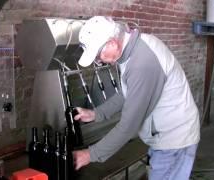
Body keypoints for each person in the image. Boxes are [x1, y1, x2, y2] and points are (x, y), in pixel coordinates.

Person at [73, 16, 200, 180]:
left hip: (174, 141)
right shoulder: (133, 49)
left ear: (112, 43)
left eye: (98, 56)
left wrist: (90, 154)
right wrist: (97, 114)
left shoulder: (142, 63)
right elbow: (129, 92)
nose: (100, 61)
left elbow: (129, 125)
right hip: (165, 135)